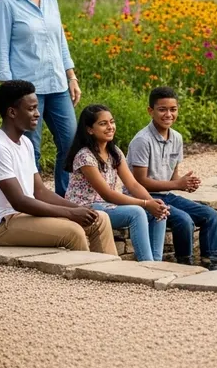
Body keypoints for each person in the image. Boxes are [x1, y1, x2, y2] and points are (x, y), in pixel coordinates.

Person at [0, 80, 116, 254]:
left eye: (36, 108)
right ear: (12, 112)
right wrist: (70, 214)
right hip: (1, 224)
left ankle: (106, 275)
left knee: (100, 218)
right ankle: (84, 278)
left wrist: (77, 208)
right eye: (31, 108)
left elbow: (40, 191)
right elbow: (19, 201)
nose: (37, 114)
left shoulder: (25, 142)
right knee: (73, 232)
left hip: (23, 217)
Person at [0, 0, 79, 198]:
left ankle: (67, 198)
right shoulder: (6, 4)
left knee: (71, 143)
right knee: (32, 149)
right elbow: (0, 51)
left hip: (58, 85)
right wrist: (10, 93)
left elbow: (60, 41)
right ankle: (34, 201)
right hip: (27, 91)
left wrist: (71, 76)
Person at [126, 87, 217, 267]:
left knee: (210, 215)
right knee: (183, 220)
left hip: (166, 195)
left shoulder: (177, 137)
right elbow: (139, 182)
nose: (168, 114)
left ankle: (212, 262)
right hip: (144, 197)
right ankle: (185, 263)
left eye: (173, 109)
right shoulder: (142, 140)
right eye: (162, 109)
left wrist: (185, 183)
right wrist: (178, 184)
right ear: (150, 111)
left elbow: (173, 177)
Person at [65, 104, 169, 262]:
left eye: (111, 122)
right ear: (89, 129)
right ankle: (147, 264)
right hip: (87, 207)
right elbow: (107, 193)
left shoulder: (115, 152)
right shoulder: (85, 156)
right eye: (103, 123)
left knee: (159, 212)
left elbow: (133, 184)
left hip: (107, 205)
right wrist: (145, 204)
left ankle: (156, 262)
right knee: (137, 212)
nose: (110, 127)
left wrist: (153, 203)